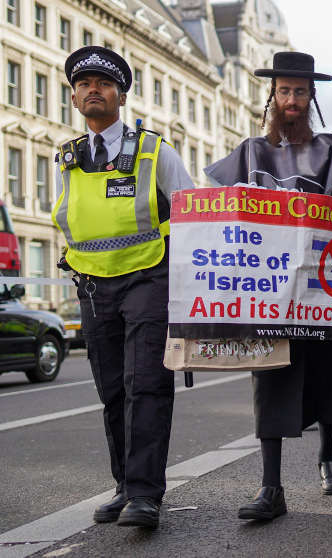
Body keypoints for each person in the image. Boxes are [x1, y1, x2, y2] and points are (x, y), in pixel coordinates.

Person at [204, 52, 332, 520]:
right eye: (285, 91)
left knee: (327, 372)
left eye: (301, 91)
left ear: (311, 96)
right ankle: (271, 486)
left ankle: (329, 456)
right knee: (271, 380)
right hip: (266, 290)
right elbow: (223, 217)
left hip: (319, 286)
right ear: (272, 96)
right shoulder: (250, 153)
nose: (292, 99)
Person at [53, 46, 195, 528]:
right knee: (112, 389)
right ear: (74, 98)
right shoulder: (68, 160)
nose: (94, 90)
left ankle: (145, 495)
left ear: (121, 95)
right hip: (93, 287)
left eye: (104, 83)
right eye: (84, 84)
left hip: (149, 277)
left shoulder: (157, 151)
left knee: (146, 384)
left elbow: (193, 215)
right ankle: (123, 486)